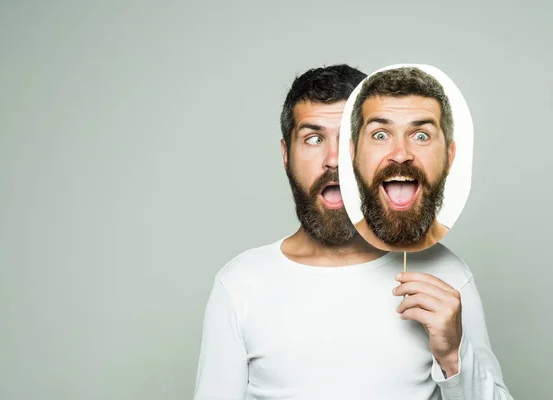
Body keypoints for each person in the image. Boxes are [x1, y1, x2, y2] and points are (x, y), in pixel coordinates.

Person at [193, 64, 513, 399]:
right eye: (313, 139)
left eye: (345, 139)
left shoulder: (446, 276)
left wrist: (453, 356)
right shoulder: (240, 284)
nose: (333, 159)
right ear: (286, 154)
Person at [350, 66, 455, 252]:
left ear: (449, 156)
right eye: (380, 136)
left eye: (421, 136)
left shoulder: (459, 277)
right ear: (353, 153)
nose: (400, 155)